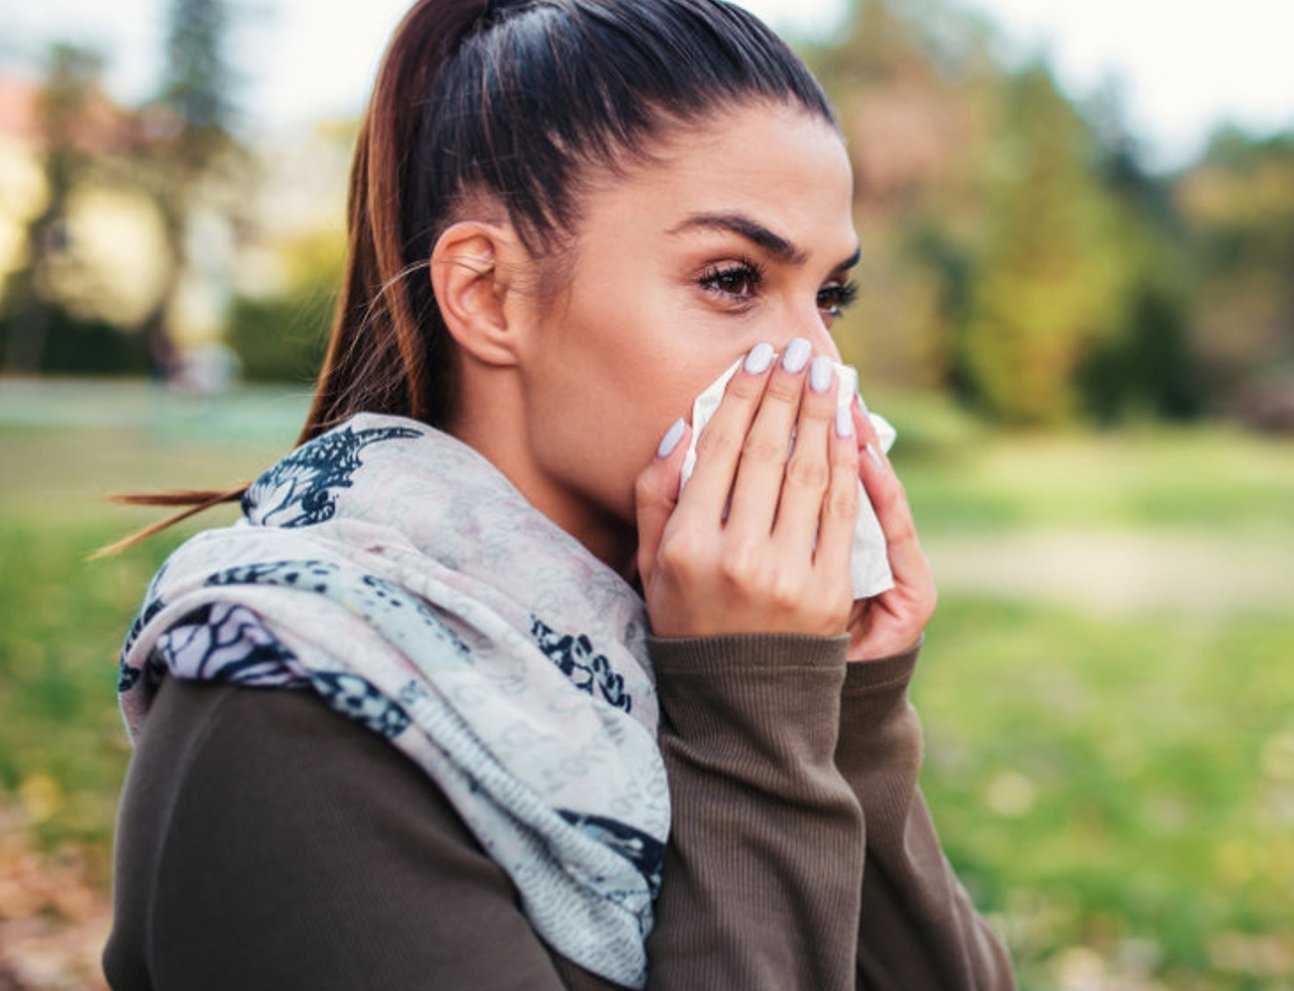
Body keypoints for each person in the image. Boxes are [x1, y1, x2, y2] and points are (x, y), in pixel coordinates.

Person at [99, 0, 1016, 988]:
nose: (820, 368)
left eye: (829, 295)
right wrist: (755, 711)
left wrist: (851, 709)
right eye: (731, 278)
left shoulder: (678, 637)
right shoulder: (290, 708)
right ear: (489, 295)